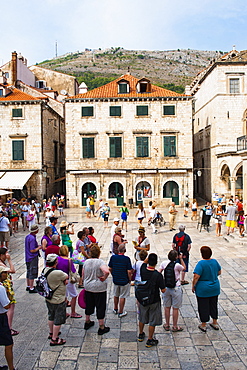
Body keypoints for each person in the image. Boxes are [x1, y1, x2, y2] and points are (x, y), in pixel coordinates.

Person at [137, 253, 166, 347]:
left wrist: (148, 259)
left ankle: (141, 334)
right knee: (152, 320)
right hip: (154, 299)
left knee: (142, 316)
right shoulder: (158, 275)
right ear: (156, 262)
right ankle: (150, 339)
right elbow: (163, 290)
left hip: (143, 298)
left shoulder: (142, 269)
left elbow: (144, 262)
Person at [192, 246, 221, 332]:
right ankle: (214, 322)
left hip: (203, 288)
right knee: (213, 304)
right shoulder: (215, 261)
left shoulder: (201, 263)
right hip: (214, 287)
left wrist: (193, 285)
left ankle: (204, 324)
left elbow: (196, 276)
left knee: (203, 305)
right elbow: (219, 272)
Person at [83, 244, 110, 334]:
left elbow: (83, 274)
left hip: (88, 287)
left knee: (89, 304)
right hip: (99, 288)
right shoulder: (100, 262)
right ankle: (101, 326)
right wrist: (104, 277)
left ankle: (87, 321)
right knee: (100, 306)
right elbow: (106, 271)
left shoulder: (86, 262)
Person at [159, 250, 185, 332]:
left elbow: (159, 272)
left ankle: (167, 324)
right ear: (176, 257)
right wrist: (181, 259)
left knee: (167, 307)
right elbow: (184, 268)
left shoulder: (164, 263)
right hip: (176, 287)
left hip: (166, 287)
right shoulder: (177, 265)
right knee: (175, 308)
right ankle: (174, 326)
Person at [44, 254, 68, 346]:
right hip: (58, 299)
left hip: (49, 298)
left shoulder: (45, 270)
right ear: (56, 262)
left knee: (51, 316)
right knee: (58, 318)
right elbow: (66, 277)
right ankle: (55, 339)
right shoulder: (58, 273)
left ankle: (51, 333)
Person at [57, 245, 82, 318]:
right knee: (74, 295)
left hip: (60, 280)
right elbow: (73, 271)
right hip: (68, 280)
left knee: (64, 296)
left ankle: (64, 312)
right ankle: (73, 312)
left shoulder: (57, 259)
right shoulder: (69, 260)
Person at [108, 244, 132, 318]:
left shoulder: (113, 257)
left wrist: (113, 274)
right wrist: (130, 279)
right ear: (125, 250)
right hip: (124, 279)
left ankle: (115, 308)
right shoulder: (127, 259)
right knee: (122, 296)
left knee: (116, 294)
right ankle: (121, 311)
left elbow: (110, 268)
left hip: (116, 279)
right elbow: (129, 271)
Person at [0, 248, 18, 336]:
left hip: (7, 285)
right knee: (9, 305)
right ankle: (8, 327)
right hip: (5, 286)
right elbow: (13, 270)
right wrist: (10, 260)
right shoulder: (0, 264)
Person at [0, 266, 15, 370]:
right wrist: (7, 294)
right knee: (8, 344)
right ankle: (11, 368)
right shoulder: (1, 288)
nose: (6, 274)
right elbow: (6, 305)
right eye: (4, 273)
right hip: (1, 318)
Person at [25, 224, 42, 293]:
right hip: (32, 257)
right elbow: (32, 250)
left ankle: (28, 285)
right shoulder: (32, 238)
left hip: (27, 257)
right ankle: (31, 287)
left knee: (28, 271)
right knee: (32, 271)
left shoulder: (28, 237)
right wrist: (39, 248)